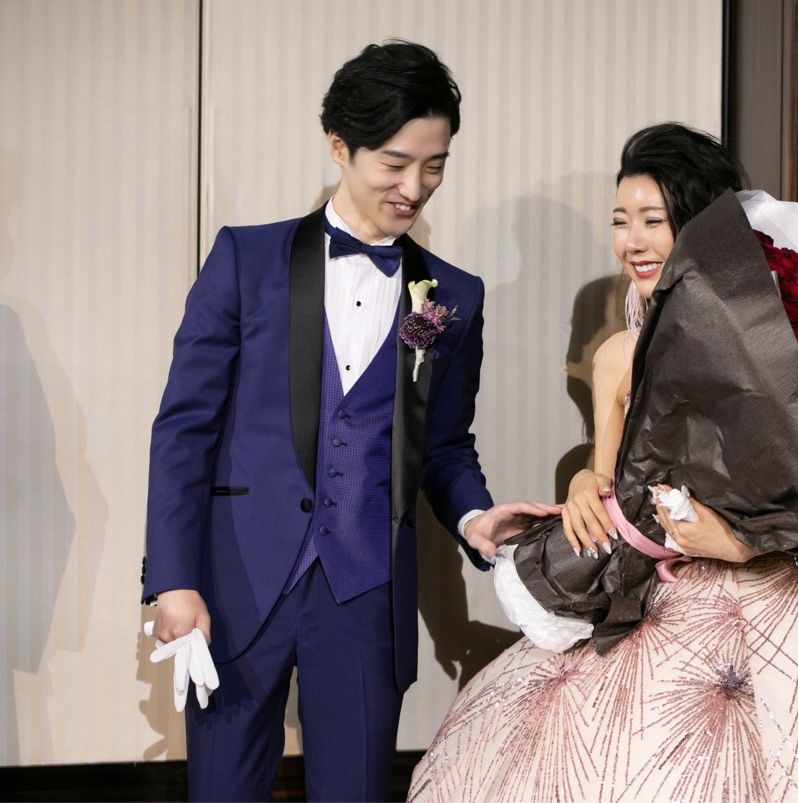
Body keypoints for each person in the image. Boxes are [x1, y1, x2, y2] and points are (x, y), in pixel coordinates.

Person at [406, 123, 798, 802]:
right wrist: (581, 482)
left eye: (654, 220)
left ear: (701, 230)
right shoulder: (616, 355)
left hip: (775, 591)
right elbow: (611, 473)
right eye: (621, 220)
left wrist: (745, 541)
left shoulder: (771, 343)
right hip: (660, 591)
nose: (632, 241)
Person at [141, 41, 557, 801]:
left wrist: (473, 517)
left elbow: (443, 445)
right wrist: (173, 579)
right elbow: (183, 430)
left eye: (434, 165)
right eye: (395, 163)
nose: (415, 187)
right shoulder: (246, 259)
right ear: (340, 146)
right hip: (238, 586)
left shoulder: (452, 296)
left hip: (365, 593)